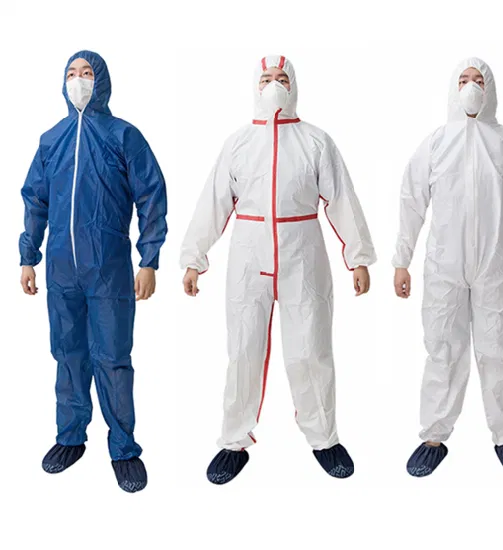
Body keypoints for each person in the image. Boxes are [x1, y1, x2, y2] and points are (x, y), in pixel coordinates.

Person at [181, 55, 376, 484]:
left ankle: (324, 438)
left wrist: (358, 257)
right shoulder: (238, 143)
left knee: (311, 348)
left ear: (294, 86)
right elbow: (213, 202)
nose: (274, 85)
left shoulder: (316, 141)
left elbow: (342, 199)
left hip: (302, 253)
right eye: (266, 78)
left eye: (282, 78)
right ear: (255, 85)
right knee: (243, 349)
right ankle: (233, 440)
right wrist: (194, 258)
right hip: (248, 257)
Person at [393, 57, 503, 477]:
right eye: (463, 80)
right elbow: (411, 202)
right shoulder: (436, 143)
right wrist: (401, 260)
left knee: (496, 349)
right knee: (442, 348)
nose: (470, 87)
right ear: (452, 88)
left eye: (478, 80)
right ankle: (434, 436)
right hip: (444, 266)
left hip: (497, 265)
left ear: (491, 89)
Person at [19, 51, 168, 493]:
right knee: (67, 354)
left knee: (113, 358)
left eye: (86, 73)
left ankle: (124, 447)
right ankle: (70, 438)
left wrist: (149, 260)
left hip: (109, 268)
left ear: (100, 80)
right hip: (61, 269)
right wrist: (28, 256)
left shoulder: (123, 135)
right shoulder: (51, 139)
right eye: (72, 73)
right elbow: (36, 200)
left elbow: (151, 196)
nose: (78, 80)